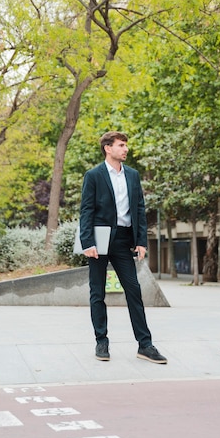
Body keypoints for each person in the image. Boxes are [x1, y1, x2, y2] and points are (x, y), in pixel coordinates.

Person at [79, 131, 167, 364]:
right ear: (108, 148)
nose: (125, 149)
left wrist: (141, 241)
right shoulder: (94, 175)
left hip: (124, 240)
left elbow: (139, 208)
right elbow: (86, 210)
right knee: (98, 292)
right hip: (100, 240)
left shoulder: (132, 175)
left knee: (133, 291)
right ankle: (101, 341)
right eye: (121, 145)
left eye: (126, 145)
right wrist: (87, 243)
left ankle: (145, 345)